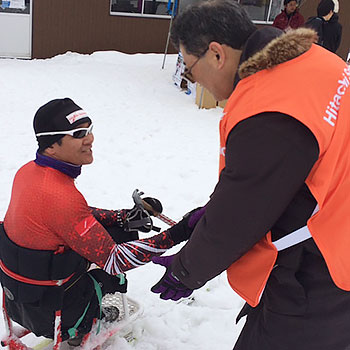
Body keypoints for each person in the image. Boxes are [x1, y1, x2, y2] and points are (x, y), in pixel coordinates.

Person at [150, 1, 350, 349]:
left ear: (216, 54)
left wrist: (186, 270)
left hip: (318, 273)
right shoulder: (315, 61)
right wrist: (209, 213)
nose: (192, 78)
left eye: (190, 66)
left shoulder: (270, 106)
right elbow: (272, 179)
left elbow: (241, 215)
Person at [0, 98, 199, 346]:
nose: (90, 139)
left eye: (90, 130)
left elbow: (70, 215)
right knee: (120, 244)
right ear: (51, 146)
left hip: (21, 299)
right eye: (79, 133)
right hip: (59, 314)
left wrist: (121, 216)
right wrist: (178, 233)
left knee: (118, 230)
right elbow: (115, 260)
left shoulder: (29, 173)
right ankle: (83, 330)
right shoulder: (61, 196)